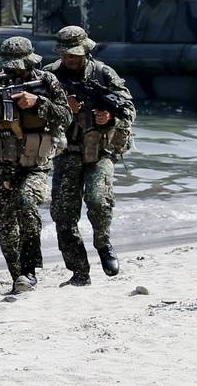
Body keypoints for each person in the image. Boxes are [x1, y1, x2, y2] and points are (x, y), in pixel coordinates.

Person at [0, 37, 72, 295]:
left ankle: (29, 270)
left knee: (26, 204)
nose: (12, 71)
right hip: (2, 166)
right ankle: (18, 277)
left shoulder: (47, 82)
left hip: (34, 163)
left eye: (17, 66)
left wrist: (38, 103)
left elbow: (66, 116)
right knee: (4, 224)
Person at [44, 26, 136, 286]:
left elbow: (128, 107)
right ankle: (79, 272)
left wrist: (109, 116)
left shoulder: (103, 73)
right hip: (67, 152)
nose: (71, 59)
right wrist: (62, 107)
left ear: (86, 51)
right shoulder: (49, 76)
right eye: (66, 54)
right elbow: (36, 114)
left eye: (76, 54)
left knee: (98, 200)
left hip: (100, 151)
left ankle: (104, 244)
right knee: (63, 215)